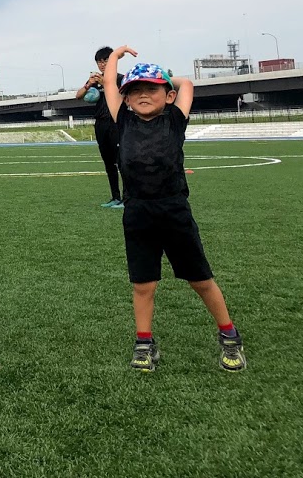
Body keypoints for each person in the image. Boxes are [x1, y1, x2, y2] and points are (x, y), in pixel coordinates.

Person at [102, 47, 245, 372]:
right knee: (143, 284)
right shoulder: (123, 120)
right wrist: (117, 55)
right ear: (125, 99)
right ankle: (144, 342)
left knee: (201, 279)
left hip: (174, 211)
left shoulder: (174, 119)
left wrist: (166, 77)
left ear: (168, 96)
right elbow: (111, 82)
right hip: (137, 214)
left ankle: (229, 335)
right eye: (135, 90)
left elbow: (188, 86)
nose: (142, 95)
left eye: (151, 89)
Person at [75, 46, 125, 208]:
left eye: (105, 60)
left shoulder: (121, 79)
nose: (102, 64)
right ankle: (115, 197)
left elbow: (124, 96)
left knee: (122, 161)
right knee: (108, 162)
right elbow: (78, 96)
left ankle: (127, 197)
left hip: (117, 123)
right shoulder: (95, 80)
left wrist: (106, 83)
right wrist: (89, 84)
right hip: (101, 124)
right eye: (99, 62)